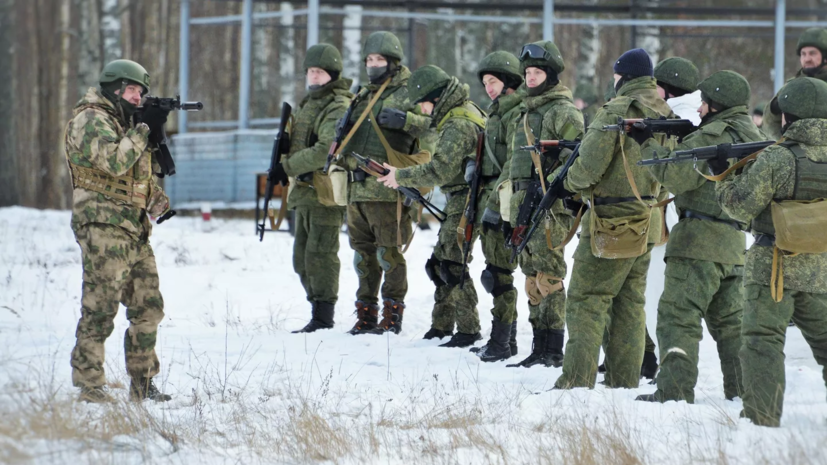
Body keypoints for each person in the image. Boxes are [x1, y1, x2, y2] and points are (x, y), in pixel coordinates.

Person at [636, 71, 765, 403]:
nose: (702, 108)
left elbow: (676, 176)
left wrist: (646, 142)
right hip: (734, 243)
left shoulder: (713, 133)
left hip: (697, 241)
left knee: (678, 318)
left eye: (706, 102)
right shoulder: (752, 132)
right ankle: (742, 391)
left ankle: (674, 391)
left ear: (717, 103)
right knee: (731, 326)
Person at [554, 49, 672, 389]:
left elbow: (587, 168)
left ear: (622, 77)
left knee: (587, 301)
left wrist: (570, 182)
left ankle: (575, 382)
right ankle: (624, 380)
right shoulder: (663, 110)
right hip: (647, 220)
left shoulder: (617, 109)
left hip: (610, 224)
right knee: (630, 304)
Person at [716, 77, 827, 427]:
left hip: (773, 268)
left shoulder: (777, 158)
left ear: (788, 117)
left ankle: (761, 419)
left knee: (762, 341)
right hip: (821, 267)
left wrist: (724, 177)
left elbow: (740, 205)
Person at [65, 59, 172, 403]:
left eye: (141, 91)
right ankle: (90, 386)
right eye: (131, 90)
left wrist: (155, 198)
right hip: (102, 225)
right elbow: (112, 162)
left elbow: (133, 177)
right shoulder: (91, 119)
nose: (138, 97)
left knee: (148, 307)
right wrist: (143, 131)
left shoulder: (125, 123)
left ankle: (142, 383)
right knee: (100, 308)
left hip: (132, 227)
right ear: (113, 88)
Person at [378, 65, 487, 348]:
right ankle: (441, 326)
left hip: (467, 200)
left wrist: (400, 175)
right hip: (461, 198)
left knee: (453, 263)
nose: (423, 111)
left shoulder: (458, 123)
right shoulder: (460, 112)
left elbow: (440, 169)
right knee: (440, 263)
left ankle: (468, 330)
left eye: (424, 104)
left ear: (435, 98)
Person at [341, 31, 432, 335]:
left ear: (392, 62)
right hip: (357, 190)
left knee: (388, 254)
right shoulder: (362, 95)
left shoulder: (410, 92)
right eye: (369, 59)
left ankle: (392, 315)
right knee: (362, 257)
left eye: (379, 59)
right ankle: (365, 314)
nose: (373, 64)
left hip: (388, 188)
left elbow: (432, 129)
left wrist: (406, 122)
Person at [503, 40, 585, 368]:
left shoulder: (562, 111)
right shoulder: (525, 112)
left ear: (549, 75)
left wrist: (553, 183)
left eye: (537, 72)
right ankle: (538, 346)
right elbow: (513, 165)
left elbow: (576, 156)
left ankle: (553, 349)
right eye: (527, 72)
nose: (531, 77)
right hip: (522, 201)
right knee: (530, 274)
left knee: (549, 276)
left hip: (549, 203)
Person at [281, 44, 354, 333]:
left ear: (332, 75)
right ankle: (316, 309)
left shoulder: (337, 105)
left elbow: (326, 149)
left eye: (320, 72)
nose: (314, 76)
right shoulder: (308, 102)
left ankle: (323, 317)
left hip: (325, 192)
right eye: (311, 71)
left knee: (321, 255)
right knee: (302, 258)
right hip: (304, 192)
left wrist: (287, 166)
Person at [464, 51, 525, 361]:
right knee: (495, 272)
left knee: (499, 275)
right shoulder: (497, 111)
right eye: (485, 82)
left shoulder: (516, 113)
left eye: (493, 81)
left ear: (509, 81)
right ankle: (505, 341)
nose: (488, 87)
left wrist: (491, 203)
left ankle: (501, 343)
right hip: (492, 196)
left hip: (504, 201)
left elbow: (514, 162)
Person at [763, 28, 827, 139]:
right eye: (803, 54)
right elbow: (770, 122)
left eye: (812, 53)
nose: (807, 59)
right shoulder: (792, 86)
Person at [654, 57, 702, 125]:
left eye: (656, 87)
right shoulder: (700, 116)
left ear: (671, 90)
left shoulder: (678, 121)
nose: (653, 91)